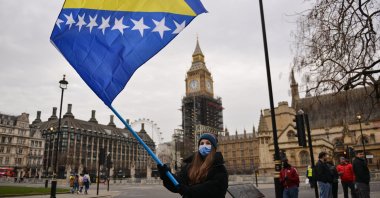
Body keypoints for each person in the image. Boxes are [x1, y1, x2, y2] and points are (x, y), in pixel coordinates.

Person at [158, 133, 228, 198]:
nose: (204, 145)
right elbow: (179, 184)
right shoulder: (189, 166)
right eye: (201, 143)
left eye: (208, 143)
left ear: (213, 148)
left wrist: (188, 190)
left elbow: (212, 189)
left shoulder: (219, 168)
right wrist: (166, 175)